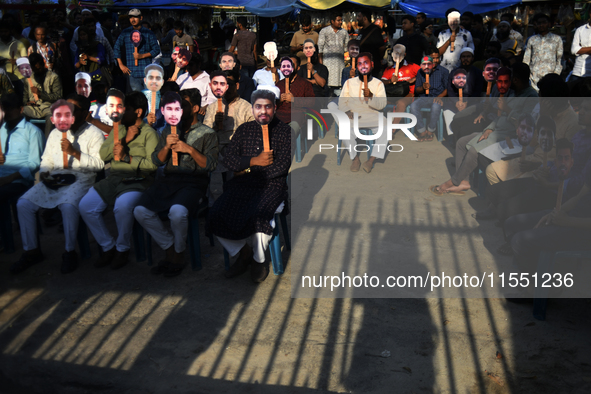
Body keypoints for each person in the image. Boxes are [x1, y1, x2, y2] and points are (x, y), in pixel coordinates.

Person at [207, 88, 291, 283]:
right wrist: (253, 161)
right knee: (215, 214)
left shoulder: (285, 131)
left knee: (260, 218)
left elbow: (282, 166)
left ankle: (258, 260)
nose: (263, 111)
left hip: (272, 186)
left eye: (268, 107)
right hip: (242, 185)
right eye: (258, 107)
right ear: (252, 109)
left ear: (275, 108)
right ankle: (244, 252)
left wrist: (246, 170)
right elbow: (229, 159)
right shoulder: (244, 130)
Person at [12, 96, 104, 275]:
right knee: (23, 204)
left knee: (68, 207)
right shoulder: (56, 132)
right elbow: (47, 158)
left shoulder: (94, 133)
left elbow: (99, 166)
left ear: (85, 114)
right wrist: (45, 172)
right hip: (55, 178)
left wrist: (74, 153)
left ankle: (69, 252)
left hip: (82, 178)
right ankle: (31, 251)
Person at [134, 91, 218, 276]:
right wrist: (166, 146)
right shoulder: (168, 130)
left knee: (177, 212)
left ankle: (179, 253)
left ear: (195, 109)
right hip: (169, 181)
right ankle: (170, 246)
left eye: (183, 105)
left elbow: (210, 165)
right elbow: (157, 161)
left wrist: (188, 149)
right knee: (140, 210)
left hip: (193, 182)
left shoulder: (208, 133)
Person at [79, 90, 159, 269]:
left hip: (138, 180)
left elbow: (152, 166)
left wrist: (127, 158)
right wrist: (124, 140)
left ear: (138, 112)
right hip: (114, 179)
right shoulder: (119, 129)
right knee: (86, 206)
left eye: (126, 108)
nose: (121, 112)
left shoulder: (149, 134)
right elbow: (104, 154)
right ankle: (108, 246)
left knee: (122, 207)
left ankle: (122, 249)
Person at [485, 74, 580, 185]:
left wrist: (536, 165)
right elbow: (533, 142)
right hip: (531, 158)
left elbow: (566, 162)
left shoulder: (573, 122)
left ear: (550, 101)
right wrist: (544, 118)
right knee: (491, 170)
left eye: (541, 97)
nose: (539, 100)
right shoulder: (544, 112)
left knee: (509, 187)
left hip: (546, 169)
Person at [0, 94, 44, 249]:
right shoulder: (1, 130)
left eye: (10, 109)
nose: (6, 113)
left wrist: (9, 178)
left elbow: (34, 164)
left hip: (19, 179)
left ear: (20, 109)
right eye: (4, 109)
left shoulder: (32, 132)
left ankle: (6, 243)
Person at [339, 52, 387, 173]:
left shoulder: (378, 84)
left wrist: (371, 96)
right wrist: (347, 111)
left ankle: (371, 159)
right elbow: (341, 102)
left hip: (372, 115)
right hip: (354, 115)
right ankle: (355, 158)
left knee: (386, 126)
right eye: (360, 64)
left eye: (366, 63)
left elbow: (382, 105)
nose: (363, 66)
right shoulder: (349, 83)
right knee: (344, 128)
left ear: (372, 64)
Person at [204, 70, 253, 171]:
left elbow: (252, 134)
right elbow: (205, 134)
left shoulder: (247, 108)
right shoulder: (212, 107)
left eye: (229, 84)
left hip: (239, 152)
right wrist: (215, 124)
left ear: (237, 86)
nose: (227, 88)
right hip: (217, 153)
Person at [113, 9, 161, 92]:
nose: (133, 19)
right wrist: (120, 64)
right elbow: (116, 48)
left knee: (148, 96)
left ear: (141, 18)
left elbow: (156, 49)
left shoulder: (148, 33)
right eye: (131, 17)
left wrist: (142, 56)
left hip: (146, 72)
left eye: (135, 17)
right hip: (132, 72)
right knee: (137, 98)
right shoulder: (125, 32)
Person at [21, 55, 62, 136]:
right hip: (33, 108)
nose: (36, 71)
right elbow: (25, 96)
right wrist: (27, 103)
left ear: (43, 65)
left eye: (38, 68)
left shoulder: (54, 77)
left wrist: (40, 94)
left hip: (48, 107)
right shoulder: (28, 78)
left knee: (51, 118)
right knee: (21, 113)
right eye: (34, 69)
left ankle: (47, 143)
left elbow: (58, 97)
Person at [410, 55, 449, 142]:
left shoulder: (444, 71)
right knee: (413, 106)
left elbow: (448, 88)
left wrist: (440, 97)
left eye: (429, 64)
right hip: (424, 97)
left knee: (436, 107)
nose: (426, 66)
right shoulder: (420, 72)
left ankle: (431, 130)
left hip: (437, 97)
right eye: (424, 64)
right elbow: (417, 90)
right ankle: (422, 131)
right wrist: (423, 88)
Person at [275, 56, 315, 137]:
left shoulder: (304, 83)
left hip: (296, 116)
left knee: (289, 134)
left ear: (298, 68)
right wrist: (279, 100)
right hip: (279, 116)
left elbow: (312, 102)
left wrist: (294, 100)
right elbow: (272, 104)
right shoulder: (279, 84)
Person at [523, 13, 563, 91]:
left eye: (544, 22)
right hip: (533, 78)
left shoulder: (557, 39)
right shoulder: (532, 39)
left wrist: (555, 75)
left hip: (550, 78)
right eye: (539, 23)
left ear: (548, 24)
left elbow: (559, 60)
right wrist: (527, 76)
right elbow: (526, 59)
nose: (541, 25)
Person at [318, 12, 348, 93]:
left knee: (339, 89)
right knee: (328, 89)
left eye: (341, 20)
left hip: (340, 66)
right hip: (327, 66)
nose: (340, 22)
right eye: (338, 20)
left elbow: (346, 49)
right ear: (332, 21)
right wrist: (321, 66)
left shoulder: (344, 32)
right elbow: (320, 50)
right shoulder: (324, 31)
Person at [356, 8, 386, 77]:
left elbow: (381, 47)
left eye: (359, 16)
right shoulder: (362, 30)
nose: (357, 18)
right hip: (362, 66)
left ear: (365, 18)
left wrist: (378, 59)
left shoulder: (375, 30)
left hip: (372, 68)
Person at [570, 14, 591, 84]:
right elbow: (574, 50)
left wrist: (582, 49)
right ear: (590, 14)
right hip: (577, 72)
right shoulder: (580, 30)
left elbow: (577, 49)